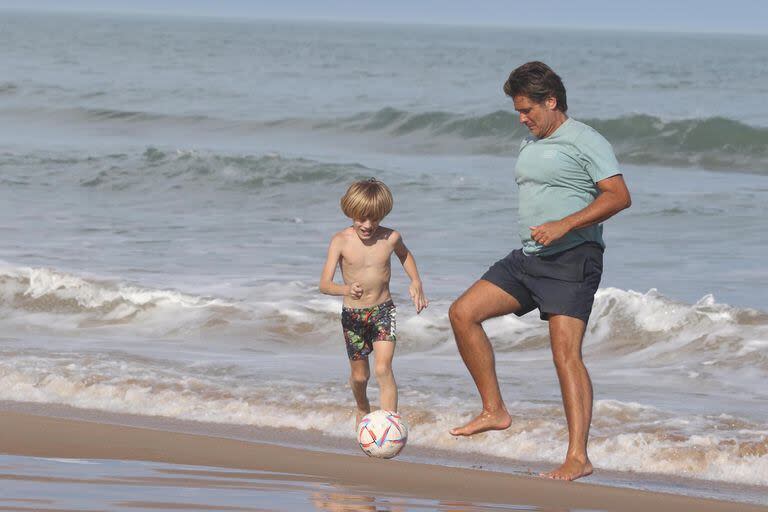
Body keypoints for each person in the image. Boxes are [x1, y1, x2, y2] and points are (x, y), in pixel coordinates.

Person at [448, 61, 631, 481]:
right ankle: (494, 410)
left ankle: (578, 457)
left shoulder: (586, 140)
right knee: (463, 313)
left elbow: (619, 196)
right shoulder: (532, 141)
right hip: (529, 258)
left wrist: (566, 224)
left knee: (565, 355)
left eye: (527, 109)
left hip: (573, 258)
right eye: (518, 110)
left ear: (552, 101)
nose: (522, 118)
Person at [319, 178, 428, 426]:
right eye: (361, 218)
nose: (367, 225)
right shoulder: (340, 241)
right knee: (360, 377)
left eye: (374, 219)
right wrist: (346, 288)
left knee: (382, 369)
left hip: (383, 311)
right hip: (353, 316)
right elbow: (324, 284)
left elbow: (405, 254)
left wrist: (415, 281)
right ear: (350, 212)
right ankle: (362, 407)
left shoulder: (390, 238)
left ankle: (388, 425)